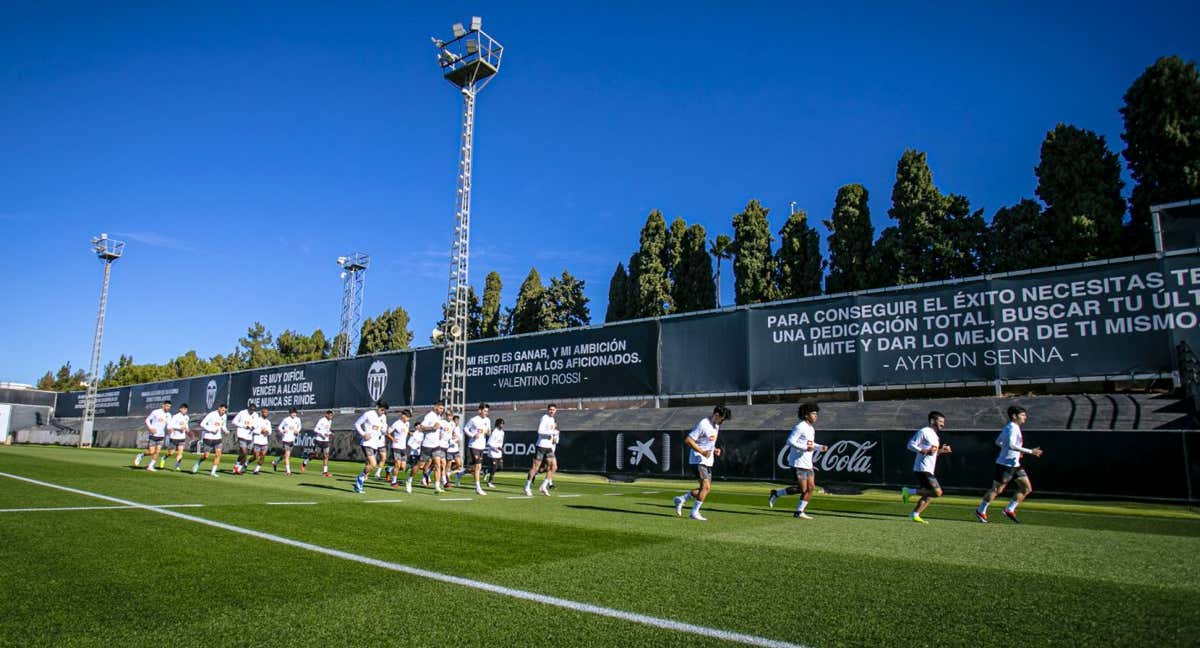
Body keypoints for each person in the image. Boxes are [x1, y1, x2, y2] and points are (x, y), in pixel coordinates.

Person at [976, 406, 1043, 524]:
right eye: (1022, 415)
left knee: (1026, 488)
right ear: (1014, 416)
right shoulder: (1012, 427)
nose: (1025, 417)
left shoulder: (1013, 427)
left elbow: (999, 442)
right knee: (997, 490)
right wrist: (1029, 451)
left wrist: (1014, 451)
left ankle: (1009, 510)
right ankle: (981, 510)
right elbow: (1011, 445)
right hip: (1005, 465)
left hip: (1015, 464)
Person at [768, 403, 825, 519]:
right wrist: (804, 448)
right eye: (813, 413)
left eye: (816, 414)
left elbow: (810, 444)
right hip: (798, 463)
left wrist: (820, 447)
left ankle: (799, 512)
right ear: (806, 415)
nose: (815, 416)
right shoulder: (800, 426)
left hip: (808, 463)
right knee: (802, 489)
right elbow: (790, 441)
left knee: (811, 488)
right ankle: (776, 493)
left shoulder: (811, 428)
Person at [673, 406, 730, 521]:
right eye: (722, 419)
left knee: (705, 489)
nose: (722, 422)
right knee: (706, 487)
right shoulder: (703, 424)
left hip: (708, 461)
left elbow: (708, 442)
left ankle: (682, 498)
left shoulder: (716, 426)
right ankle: (694, 513)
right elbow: (688, 440)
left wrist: (714, 450)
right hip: (698, 460)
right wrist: (702, 452)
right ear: (716, 415)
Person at [901, 411, 953, 524]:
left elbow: (932, 452)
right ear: (932, 421)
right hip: (922, 468)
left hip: (929, 468)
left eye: (943, 422)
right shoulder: (924, 431)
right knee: (937, 492)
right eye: (940, 421)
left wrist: (941, 451)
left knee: (929, 495)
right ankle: (908, 491)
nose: (943, 424)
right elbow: (910, 444)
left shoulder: (935, 435)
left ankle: (915, 514)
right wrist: (923, 450)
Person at [408, 402, 446, 494]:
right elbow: (421, 428)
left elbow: (438, 429)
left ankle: (437, 486)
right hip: (427, 445)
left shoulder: (439, 417)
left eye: (442, 409)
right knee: (419, 465)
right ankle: (409, 480)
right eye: (440, 408)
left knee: (438, 464)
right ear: (435, 407)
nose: (442, 410)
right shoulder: (429, 416)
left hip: (436, 445)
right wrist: (432, 428)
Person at [353, 400, 388, 494]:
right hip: (367, 443)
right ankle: (360, 478)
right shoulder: (368, 414)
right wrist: (363, 434)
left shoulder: (384, 417)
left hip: (375, 444)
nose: (383, 412)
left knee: (371, 464)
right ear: (377, 407)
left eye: (384, 410)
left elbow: (384, 430)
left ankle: (359, 481)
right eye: (381, 409)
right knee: (373, 464)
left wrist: (384, 430)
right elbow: (357, 424)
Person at [524, 404, 559, 497]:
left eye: (553, 410)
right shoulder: (545, 417)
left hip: (549, 447)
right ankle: (527, 487)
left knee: (554, 467)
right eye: (550, 409)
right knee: (535, 468)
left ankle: (543, 486)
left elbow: (552, 433)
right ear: (548, 410)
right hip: (541, 446)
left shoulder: (552, 420)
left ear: (556, 410)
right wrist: (552, 432)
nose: (552, 411)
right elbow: (539, 431)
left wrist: (554, 435)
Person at [464, 403, 491, 495]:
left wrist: (488, 432)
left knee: (477, 467)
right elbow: (465, 429)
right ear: (479, 410)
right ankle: (478, 488)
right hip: (474, 445)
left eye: (487, 411)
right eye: (484, 411)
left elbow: (488, 432)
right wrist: (472, 435)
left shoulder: (488, 420)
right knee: (478, 466)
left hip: (482, 446)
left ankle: (460, 474)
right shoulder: (473, 420)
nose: (486, 413)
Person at [193, 404, 227, 475]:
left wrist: (226, 431)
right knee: (206, 455)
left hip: (218, 438)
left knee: (218, 455)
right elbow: (202, 424)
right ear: (219, 408)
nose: (223, 412)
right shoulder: (212, 414)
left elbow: (223, 426)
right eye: (222, 410)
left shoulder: (224, 416)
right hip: (208, 438)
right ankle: (198, 462)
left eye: (225, 411)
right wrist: (211, 429)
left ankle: (213, 472)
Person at [137, 400, 171, 471]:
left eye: (170, 407)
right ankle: (141, 455)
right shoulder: (156, 412)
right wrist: (150, 428)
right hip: (153, 435)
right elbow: (147, 420)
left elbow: (168, 425)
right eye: (167, 406)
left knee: (157, 452)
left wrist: (170, 430)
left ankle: (150, 466)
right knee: (151, 452)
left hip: (161, 436)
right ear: (163, 405)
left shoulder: (169, 415)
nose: (168, 408)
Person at [302, 410, 334, 477]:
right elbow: (315, 429)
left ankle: (325, 472)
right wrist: (322, 434)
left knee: (326, 455)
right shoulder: (322, 420)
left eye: (332, 415)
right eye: (330, 415)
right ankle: (305, 462)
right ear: (326, 415)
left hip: (326, 441)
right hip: (319, 440)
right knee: (316, 455)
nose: (331, 416)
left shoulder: (330, 421)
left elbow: (327, 430)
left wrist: (330, 433)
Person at [386, 409, 412, 489]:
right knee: (397, 464)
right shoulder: (396, 424)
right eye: (407, 417)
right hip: (396, 447)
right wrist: (392, 438)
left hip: (403, 448)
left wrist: (410, 433)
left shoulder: (407, 423)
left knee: (403, 467)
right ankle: (393, 482)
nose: (408, 419)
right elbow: (388, 432)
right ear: (403, 416)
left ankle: (389, 469)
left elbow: (406, 431)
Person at [272, 408, 302, 475]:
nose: (294, 414)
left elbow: (299, 427)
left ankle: (275, 462)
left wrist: (297, 431)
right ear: (290, 413)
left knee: (286, 455)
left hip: (292, 439)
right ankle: (288, 471)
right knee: (287, 455)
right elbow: (279, 427)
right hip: (286, 439)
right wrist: (283, 431)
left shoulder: (298, 419)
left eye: (295, 413)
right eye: (293, 413)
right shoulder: (286, 419)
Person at [231, 403, 259, 475]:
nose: (252, 411)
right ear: (248, 408)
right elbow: (234, 421)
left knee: (245, 454)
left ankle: (236, 467)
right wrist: (244, 426)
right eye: (251, 409)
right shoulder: (242, 413)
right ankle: (238, 468)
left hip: (250, 436)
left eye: (253, 410)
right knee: (244, 452)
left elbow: (256, 424)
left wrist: (253, 427)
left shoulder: (255, 415)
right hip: (241, 434)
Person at [165, 403, 191, 471]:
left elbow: (186, 425)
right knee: (171, 452)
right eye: (184, 409)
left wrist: (187, 429)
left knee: (180, 452)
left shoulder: (187, 417)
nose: (185, 410)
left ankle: (177, 466)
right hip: (174, 437)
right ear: (180, 409)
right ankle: (164, 457)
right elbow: (169, 426)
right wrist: (179, 428)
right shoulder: (175, 416)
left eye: (186, 409)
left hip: (182, 438)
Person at [249, 406, 272, 474]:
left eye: (267, 413)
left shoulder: (268, 422)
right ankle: (247, 463)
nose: (266, 414)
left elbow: (270, 432)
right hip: (257, 440)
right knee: (256, 456)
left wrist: (267, 432)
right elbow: (253, 430)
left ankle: (256, 470)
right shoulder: (257, 420)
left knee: (263, 456)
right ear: (262, 413)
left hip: (264, 441)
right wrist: (260, 431)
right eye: (265, 412)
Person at [484, 417, 505, 488]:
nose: (502, 425)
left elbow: (500, 442)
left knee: (500, 468)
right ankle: (490, 482)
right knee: (494, 467)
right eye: (501, 424)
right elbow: (489, 443)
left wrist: (501, 448)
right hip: (493, 453)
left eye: (503, 424)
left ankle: (486, 471)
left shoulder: (502, 432)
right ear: (497, 424)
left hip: (499, 453)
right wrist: (496, 448)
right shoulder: (494, 432)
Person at [447, 414, 464, 488]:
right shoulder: (450, 427)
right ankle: (447, 480)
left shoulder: (458, 428)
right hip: (449, 450)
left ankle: (450, 474)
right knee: (448, 466)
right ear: (453, 421)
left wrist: (458, 442)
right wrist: (452, 440)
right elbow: (448, 437)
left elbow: (459, 438)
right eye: (456, 420)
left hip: (456, 450)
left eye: (458, 421)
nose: (457, 422)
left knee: (459, 466)